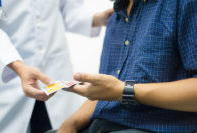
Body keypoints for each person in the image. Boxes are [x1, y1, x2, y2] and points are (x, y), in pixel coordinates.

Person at [0, 0, 113, 132]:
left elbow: (70, 11)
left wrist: (98, 18)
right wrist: (19, 67)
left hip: (54, 76)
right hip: (7, 81)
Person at [56, 0, 197, 133]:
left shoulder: (182, 4)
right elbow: (107, 92)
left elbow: (116, 90)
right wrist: (71, 123)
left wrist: (124, 91)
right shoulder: (116, 17)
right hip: (101, 125)